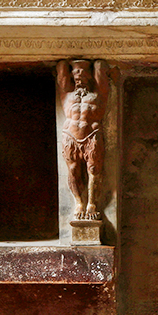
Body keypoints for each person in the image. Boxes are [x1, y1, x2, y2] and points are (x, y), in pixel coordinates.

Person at [58, 59, 108, 221]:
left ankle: (92, 204)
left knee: (93, 169)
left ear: (90, 77)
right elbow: (61, 72)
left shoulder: (98, 95)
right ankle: (79, 203)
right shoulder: (67, 95)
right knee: (73, 170)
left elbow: (100, 68)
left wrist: (96, 64)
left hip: (91, 135)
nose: (79, 79)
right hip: (70, 136)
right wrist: (66, 62)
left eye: (83, 75)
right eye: (76, 76)